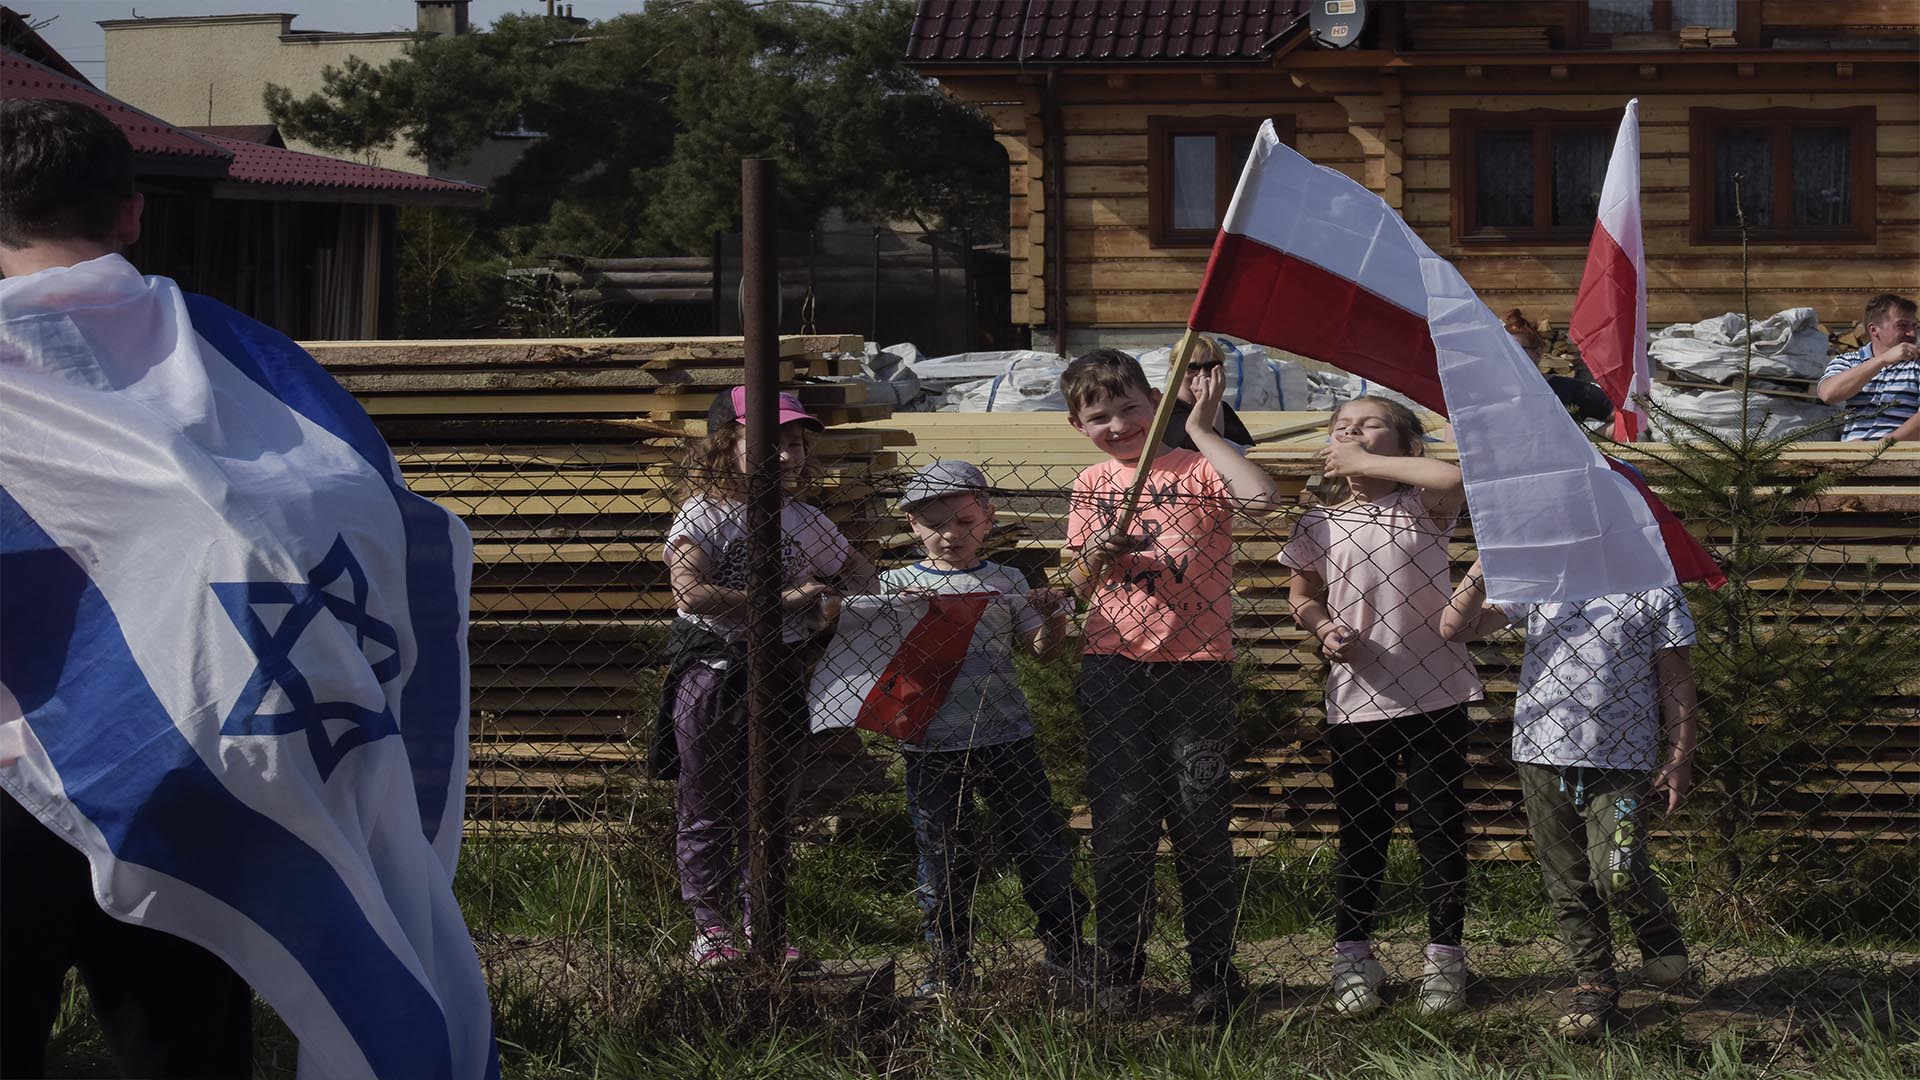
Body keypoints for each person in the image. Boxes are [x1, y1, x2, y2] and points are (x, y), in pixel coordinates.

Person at [0, 97, 256, 1080]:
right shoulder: (237, 368)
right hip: (178, 762)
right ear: (133, 214)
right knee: (184, 1049)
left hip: (12, 770)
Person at [1059, 348, 1284, 1021]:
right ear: (1078, 426)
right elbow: (1074, 582)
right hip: (1114, 670)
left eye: (1131, 407)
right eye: (1100, 416)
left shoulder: (1194, 467)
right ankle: (1119, 972)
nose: (1119, 423)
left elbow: (1263, 499)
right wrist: (1094, 558)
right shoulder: (1091, 483)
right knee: (1121, 828)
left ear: (1157, 404)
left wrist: (1207, 428)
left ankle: (1212, 974)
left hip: (1196, 671)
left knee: (1200, 828)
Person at [651, 386, 877, 968]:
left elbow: (860, 574)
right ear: (727, 445)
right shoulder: (703, 512)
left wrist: (837, 598)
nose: (787, 455)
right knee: (704, 803)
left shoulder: (807, 519)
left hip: (781, 676)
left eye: (797, 442)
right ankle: (711, 930)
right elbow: (691, 591)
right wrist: (785, 600)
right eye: (769, 441)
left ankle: (763, 927)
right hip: (712, 672)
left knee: (770, 808)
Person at [1278, 396, 1484, 1018]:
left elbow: (1455, 478)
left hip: (1436, 694)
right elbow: (1301, 590)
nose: (1352, 434)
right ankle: (1353, 956)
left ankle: (1445, 957)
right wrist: (1322, 628)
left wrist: (1371, 458)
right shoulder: (1319, 522)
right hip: (1356, 699)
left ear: (1403, 446)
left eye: (1370, 426)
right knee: (1361, 834)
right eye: (1342, 428)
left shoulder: (1418, 507)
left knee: (1438, 829)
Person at [1440, 559, 1698, 1039]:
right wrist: (1485, 565)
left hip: (1625, 758)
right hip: (1541, 751)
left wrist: (1680, 754)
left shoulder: (1654, 582)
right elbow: (1455, 628)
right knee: (1567, 878)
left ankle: (1659, 933)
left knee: (1614, 873)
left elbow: (1675, 675)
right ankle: (1594, 983)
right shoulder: (1541, 575)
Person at [881, 460, 1090, 994]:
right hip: (930, 741)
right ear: (912, 526)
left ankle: (1065, 946)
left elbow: (1042, 653)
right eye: (935, 523)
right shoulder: (895, 583)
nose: (951, 534)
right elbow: (876, 657)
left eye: (964, 520)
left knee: (1037, 841)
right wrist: (895, 616)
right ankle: (948, 962)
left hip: (1006, 734)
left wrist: (1053, 614)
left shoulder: (1008, 580)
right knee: (943, 852)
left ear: (988, 519)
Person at [1817, 293, 1920, 442]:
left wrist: (1881, 446)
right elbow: (1828, 394)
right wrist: (1882, 360)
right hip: (1850, 457)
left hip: (1901, 455)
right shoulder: (1847, 361)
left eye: (1914, 326)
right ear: (1874, 330)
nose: (1912, 333)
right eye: (1902, 325)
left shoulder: (1917, 364)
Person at [1164, 335, 1255, 452]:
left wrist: (1214, 401)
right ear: (1174, 369)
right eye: (1192, 367)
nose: (1202, 374)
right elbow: (1212, 452)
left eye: (1210, 366)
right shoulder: (1167, 411)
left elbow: (1247, 447)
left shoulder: (1223, 408)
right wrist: (1210, 401)